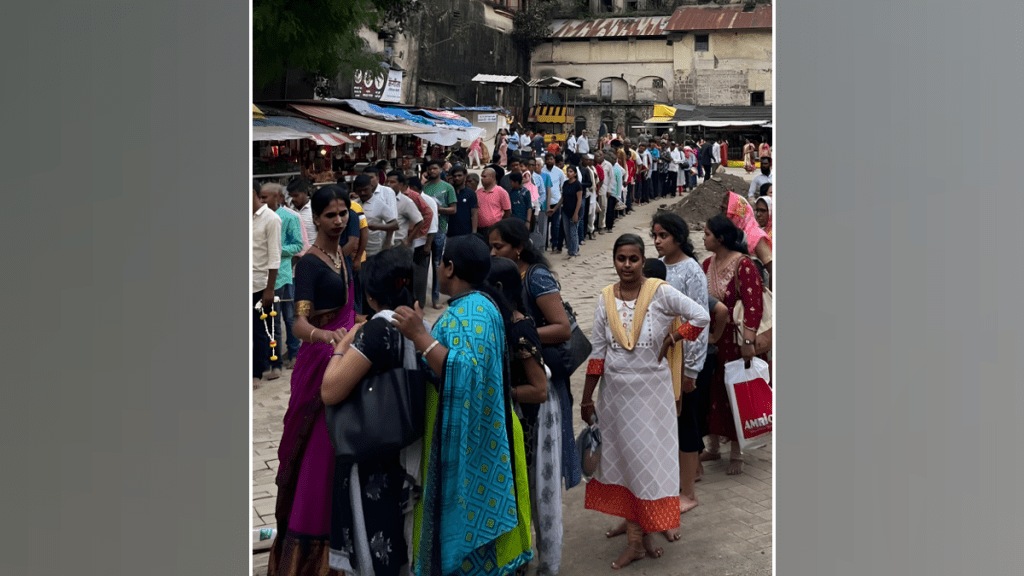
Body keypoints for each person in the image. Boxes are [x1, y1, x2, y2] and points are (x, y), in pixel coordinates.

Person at [390, 235, 533, 576]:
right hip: (486, 432)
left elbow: (462, 369)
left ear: (450, 267)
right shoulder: (483, 304)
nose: (438, 268)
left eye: (441, 262)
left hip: (469, 444)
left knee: (464, 534)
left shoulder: (468, 314)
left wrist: (420, 337)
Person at [580, 234, 710, 569]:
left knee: (647, 462)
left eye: (633, 259)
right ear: (614, 260)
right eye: (621, 259)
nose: (626, 266)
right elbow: (598, 352)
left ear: (642, 260)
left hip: (652, 398)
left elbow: (701, 316)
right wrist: (586, 397)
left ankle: (639, 540)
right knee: (622, 462)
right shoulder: (605, 298)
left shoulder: (660, 292)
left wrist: (674, 337)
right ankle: (637, 532)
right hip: (615, 398)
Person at [267, 187, 356, 576]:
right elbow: (300, 323)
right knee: (318, 451)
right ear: (315, 219)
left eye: (343, 214)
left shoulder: (342, 256)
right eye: (331, 215)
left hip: (345, 357)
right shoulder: (309, 264)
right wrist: (327, 337)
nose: (339, 221)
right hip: (320, 363)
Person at [319, 247, 420, 576]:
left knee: (373, 539)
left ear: (372, 295)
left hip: (372, 450)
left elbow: (331, 390)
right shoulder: (415, 324)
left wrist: (341, 348)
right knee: (397, 534)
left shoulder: (377, 330)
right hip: (404, 444)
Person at [487, 219, 582, 496]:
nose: (492, 253)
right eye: (490, 247)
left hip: (545, 376)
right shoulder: (504, 274)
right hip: (524, 372)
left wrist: (522, 336)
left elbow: (562, 328)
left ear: (518, 248)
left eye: (498, 246)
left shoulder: (536, 276)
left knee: (543, 456)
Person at [485, 257, 565, 576]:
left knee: (526, 491)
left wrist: (504, 393)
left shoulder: (519, 328)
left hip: (529, 423)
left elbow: (539, 390)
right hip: (516, 420)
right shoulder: (503, 324)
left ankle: (525, 559)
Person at [651, 212, 709, 515]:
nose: (658, 241)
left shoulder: (691, 271)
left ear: (677, 237)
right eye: (655, 236)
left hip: (683, 358)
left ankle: (689, 492)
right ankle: (675, 478)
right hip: (660, 360)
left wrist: (691, 369)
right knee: (666, 423)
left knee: (686, 424)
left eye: (663, 236)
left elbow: (700, 321)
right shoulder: (657, 269)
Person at [700, 215, 765, 476]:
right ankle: (713, 446)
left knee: (736, 394)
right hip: (713, 339)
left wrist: (748, 341)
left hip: (736, 341)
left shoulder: (744, 265)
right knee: (711, 393)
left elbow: (753, 305)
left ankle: (738, 451)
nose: (703, 238)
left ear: (721, 238)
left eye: (707, 234)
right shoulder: (707, 264)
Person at [260, 183, 306, 377]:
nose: (262, 201)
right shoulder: (257, 218)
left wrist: (277, 250)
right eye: (260, 197)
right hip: (263, 276)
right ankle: (275, 360)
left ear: (278, 197)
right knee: (272, 322)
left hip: (284, 275)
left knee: (288, 317)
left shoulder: (290, 217)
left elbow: (298, 245)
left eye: (265, 198)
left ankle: (294, 353)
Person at [252, 185, 282, 389]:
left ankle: (258, 372)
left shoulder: (271, 219)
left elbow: (274, 257)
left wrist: (269, 290)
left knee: (262, 331)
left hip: (261, 284)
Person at [422, 160, 458, 309]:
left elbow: (453, 209)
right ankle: (421, 298)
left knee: (437, 263)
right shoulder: (425, 188)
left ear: (440, 169)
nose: (432, 171)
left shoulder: (447, 187)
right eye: (430, 169)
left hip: (440, 229)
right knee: (424, 264)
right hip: (425, 230)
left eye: (435, 168)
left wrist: (437, 209)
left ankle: (436, 298)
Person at [722, 191, 773, 288]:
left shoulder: (756, 236)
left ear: (736, 213)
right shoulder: (732, 234)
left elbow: (772, 269)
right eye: (721, 208)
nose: (722, 214)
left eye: (725, 210)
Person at [475, 167, 512, 238]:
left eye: (484, 176)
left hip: (494, 228)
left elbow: (507, 211)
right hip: (479, 229)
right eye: (481, 177)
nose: (482, 179)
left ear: (492, 177)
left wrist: (500, 225)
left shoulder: (501, 192)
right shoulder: (478, 192)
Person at [542, 153, 566, 254]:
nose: (549, 161)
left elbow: (563, 185)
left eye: (551, 159)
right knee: (545, 224)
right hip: (544, 201)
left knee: (555, 224)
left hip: (556, 201)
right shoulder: (542, 171)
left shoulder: (559, 172)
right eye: (547, 159)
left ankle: (555, 244)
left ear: (554, 160)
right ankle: (545, 244)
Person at [446, 164, 478, 238]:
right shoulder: (449, 192)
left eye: (459, 175)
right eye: (455, 176)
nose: (457, 178)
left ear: (465, 176)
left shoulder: (470, 193)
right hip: (450, 232)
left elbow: (474, 214)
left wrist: (474, 233)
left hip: (466, 232)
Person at [560, 165, 583, 259]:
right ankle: (571, 249)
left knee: (573, 231)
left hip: (575, 210)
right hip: (565, 210)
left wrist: (576, 213)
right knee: (567, 231)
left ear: (575, 174)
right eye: (568, 171)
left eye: (571, 171)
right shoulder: (565, 183)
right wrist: (555, 208)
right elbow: (563, 198)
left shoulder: (578, 185)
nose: (569, 173)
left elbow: (579, 200)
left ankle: (574, 252)